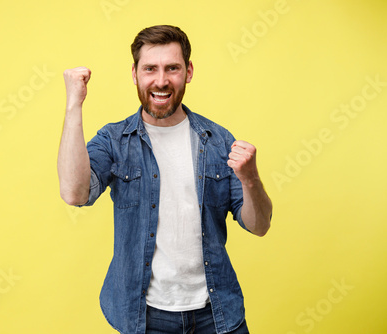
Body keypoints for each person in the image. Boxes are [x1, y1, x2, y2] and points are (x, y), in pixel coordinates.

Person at [58, 25, 272, 334]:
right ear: (134, 73)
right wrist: (73, 103)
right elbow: (74, 193)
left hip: (217, 313)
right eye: (150, 69)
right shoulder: (115, 140)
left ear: (188, 71)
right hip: (144, 317)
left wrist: (250, 178)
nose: (161, 81)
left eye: (172, 68)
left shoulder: (219, 140)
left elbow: (260, 225)